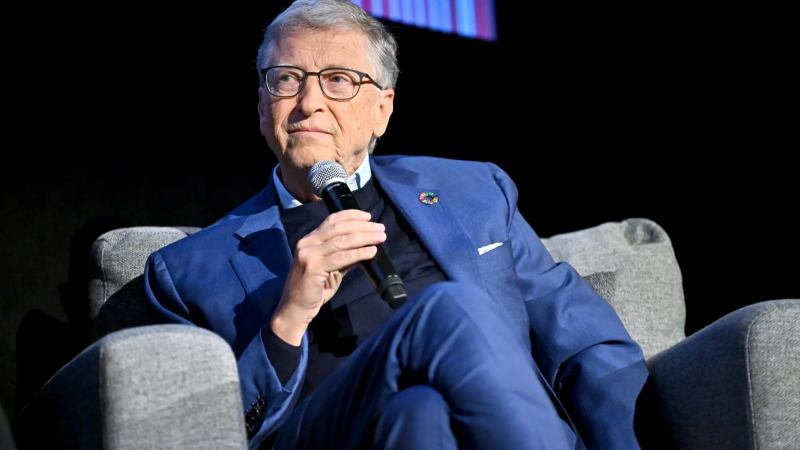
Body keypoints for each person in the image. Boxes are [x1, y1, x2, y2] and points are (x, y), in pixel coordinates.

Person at [143, 1, 648, 448]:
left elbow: (585, 343)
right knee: (448, 307)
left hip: (456, 426)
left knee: (420, 412)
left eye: (338, 80)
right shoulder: (186, 271)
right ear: (262, 105)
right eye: (287, 78)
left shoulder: (476, 191)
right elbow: (195, 433)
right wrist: (287, 319)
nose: (309, 102)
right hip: (325, 431)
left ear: (382, 110)